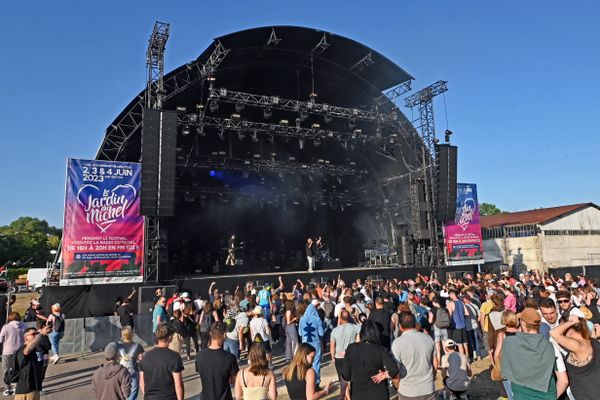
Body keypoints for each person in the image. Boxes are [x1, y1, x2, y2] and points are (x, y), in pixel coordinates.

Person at [501, 308, 562, 399]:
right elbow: (563, 380)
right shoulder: (551, 347)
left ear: (523, 324)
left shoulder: (508, 343)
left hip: (520, 395)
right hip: (547, 394)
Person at [341, 319, 398, 400]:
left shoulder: (351, 348)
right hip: (379, 394)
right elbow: (394, 370)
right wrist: (384, 374)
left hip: (358, 394)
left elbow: (346, 375)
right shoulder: (381, 349)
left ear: (361, 333)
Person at [550, 315, 600, 400]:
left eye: (563, 330)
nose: (562, 334)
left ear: (570, 331)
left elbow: (553, 333)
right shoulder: (593, 342)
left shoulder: (577, 345)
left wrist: (571, 322)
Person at [391, 311, 436, 400]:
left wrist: (397, 385)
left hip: (408, 391)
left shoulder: (397, 343)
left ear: (400, 326)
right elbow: (434, 363)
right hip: (428, 388)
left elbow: (395, 370)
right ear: (415, 323)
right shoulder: (428, 338)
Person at [139, 324, 184, 400]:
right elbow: (178, 384)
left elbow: (141, 382)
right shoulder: (174, 356)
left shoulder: (146, 357)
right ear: (170, 337)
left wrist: (147, 396)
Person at [195, 321, 239, 400]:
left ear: (210, 334)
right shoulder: (230, 357)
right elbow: (235, 380)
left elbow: (202, 372)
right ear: (224, 335)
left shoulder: (199, 356)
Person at [12, 325, 52, 400]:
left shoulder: (36, 350)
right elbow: (27, 350)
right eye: (33, 334)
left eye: (36, 333)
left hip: (34, 390)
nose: (36, 336)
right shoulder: (23, 349)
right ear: (25, 338)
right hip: (26, 391)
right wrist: (41, 334)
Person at [329, 309, 359, 399]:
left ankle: (347, 397)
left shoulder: (335, 330)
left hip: (339, 357)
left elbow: (332, 346)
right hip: (352, 355)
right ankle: (349, 396)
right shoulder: (355, 327)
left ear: (340, 318)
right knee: (351, 377)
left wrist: (332, 357)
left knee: (343, 379)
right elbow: (362, 334)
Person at [299, 299, 324, 383]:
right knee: (316, 363)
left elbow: (300, 333)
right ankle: (316, 382)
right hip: (315, 343)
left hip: (305, 344)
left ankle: (305, 381)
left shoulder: (302, 319)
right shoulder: (317, 319)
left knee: (305, 362)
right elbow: (321, 333)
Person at [0, 312, 24, 395]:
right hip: (19, 351)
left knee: (6, 369)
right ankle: (16, 386)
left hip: (7, 351)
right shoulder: (23, 325)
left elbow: (1, 339)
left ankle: (7, 387)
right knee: (17, 369)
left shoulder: (6, 327)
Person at [117, 326, 144, 400]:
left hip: (120, 373)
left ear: (122, 335)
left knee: (120, 392)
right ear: (131, 335)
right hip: (133, 372)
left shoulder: (118, 345)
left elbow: (115, 358)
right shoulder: (137, 346)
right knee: (133, 393)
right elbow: (141, 359)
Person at [446, 289, 469, 355]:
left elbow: (450, 316)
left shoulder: (451, 303)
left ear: (451, 295)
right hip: (463, 324)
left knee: (459, 344)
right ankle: (468, 357)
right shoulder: (461, 302)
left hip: (456, 326)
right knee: (465, 343)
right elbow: (467, 313)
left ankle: (462, 358)